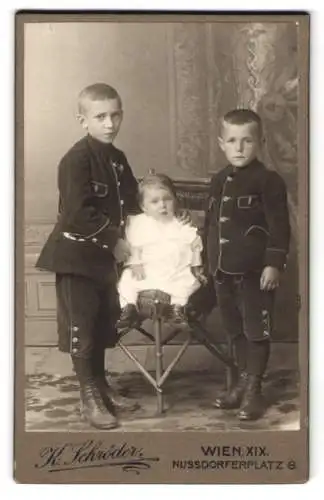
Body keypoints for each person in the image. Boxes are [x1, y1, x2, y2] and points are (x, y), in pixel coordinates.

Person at [36, 83, 141, 430]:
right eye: (100, 117)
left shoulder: (118, 160)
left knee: (100, 324)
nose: (109, 123)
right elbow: (76, 214)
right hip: (75, 258)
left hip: (104, 263)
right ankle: (88, 396)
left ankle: (101, 387)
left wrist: (164, 221)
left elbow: (132, 205)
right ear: (83, 120)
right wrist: (114, 240)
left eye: (115, 115)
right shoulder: (76, 160)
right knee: (82, 328)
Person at [204, 109, 291, 421]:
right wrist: (208, 264)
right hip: (223, 273)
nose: (239, 148)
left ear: (261, 143)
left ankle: (254, 390)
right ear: (221, 144)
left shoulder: (269, 181)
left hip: (256, 273)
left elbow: (280, 226)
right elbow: (210, 226)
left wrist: (274, 263)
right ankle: (241, 383)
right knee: (235, 330)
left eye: (247, 141)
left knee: (256, 331)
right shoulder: (218, 180)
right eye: (232, 140)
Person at [117, 173, 207, 327]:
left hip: (176, 270)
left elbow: (194, 247)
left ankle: (177, 309)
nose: (162, 205)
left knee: (188, 282)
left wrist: (196, 268)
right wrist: (135, 263)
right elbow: (133, 246)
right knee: (127, 280)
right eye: (154, 202)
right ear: (144, 207)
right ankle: (128, 307)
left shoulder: (182, 223)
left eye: (167, 199)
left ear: (175, 201)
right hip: (147, 270)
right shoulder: (139, 223)